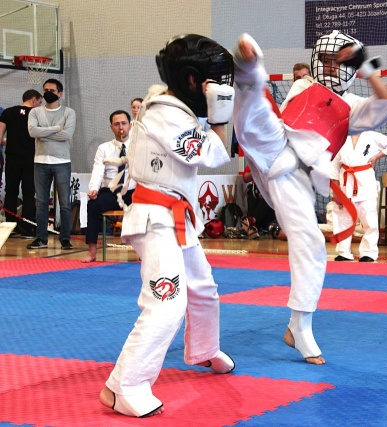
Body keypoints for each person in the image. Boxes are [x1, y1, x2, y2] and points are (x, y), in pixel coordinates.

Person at [233, 31, 387, 364]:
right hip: (275, 146)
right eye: (325, 60)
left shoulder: (353, 107)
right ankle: (248, 70)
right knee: (255, 116)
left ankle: (299, 326)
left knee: (310, 242)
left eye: (339, 63)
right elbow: (281, 114)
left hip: (296, 179)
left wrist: (368, 69)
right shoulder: (303, 85)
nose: (331, 67)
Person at [99, 34, 236, 417]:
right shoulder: (165, 113)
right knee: (167, 302)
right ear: (191, 80)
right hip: (155, 217)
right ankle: (123, 386)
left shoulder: (178, 107)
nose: (217, 87)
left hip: (177, 217)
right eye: (211, 80)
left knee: (203, 288)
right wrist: (220, 115)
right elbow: (214, 155)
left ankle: (204, 349)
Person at [330, 131, 387, 262]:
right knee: (342, 218)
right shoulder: (340, 137)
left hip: (365, 181)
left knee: (369, 219)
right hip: (345, 182)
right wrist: (336, 191)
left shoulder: (372, 135)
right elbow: (333, 165)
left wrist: (377, 156)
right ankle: (343, 252)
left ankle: (369, 252)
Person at [27, 78, 77, 250]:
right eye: (45, 90)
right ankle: (41, 238)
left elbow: (67, 135)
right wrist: (57, 128)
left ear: (60, 93)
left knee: (64, 203)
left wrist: (43, 133)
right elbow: (32, 132)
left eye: (52, 90)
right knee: (41, 203)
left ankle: (65, 239)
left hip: (62, 161)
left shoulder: (69, 112)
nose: (48, 93)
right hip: (40, 162)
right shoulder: (35, 112)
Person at [82, 110, 136, 263]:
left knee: (149, 206)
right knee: (93, 205)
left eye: (124, 123)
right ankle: (92, 251)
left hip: (133, 191)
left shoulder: (139, 146)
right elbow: (98, 170)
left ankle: (144, 251)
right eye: (116, 124)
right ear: (111, 127)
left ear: (130, 126)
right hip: (112, 192)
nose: (121, 127)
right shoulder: (104, 148)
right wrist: (93, 188)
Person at [0, 90, 42, 238]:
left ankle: (10, 226)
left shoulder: (8, 112)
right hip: (31, 158)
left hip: (12, 158)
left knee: (11, 191)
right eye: (39, 102)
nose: (40, 106)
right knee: (29, 193)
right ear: (33, 100)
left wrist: (8, 142)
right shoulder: (37, 114)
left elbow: (0, 135)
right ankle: (27, 227)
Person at [241, 164, 276, 233]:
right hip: (257, 189)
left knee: (266, 199)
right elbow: (245, 178)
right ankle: (251, 222)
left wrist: (265, 192)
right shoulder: (255, 162)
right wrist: (255, 172)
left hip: (271, 189)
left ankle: (252, 222)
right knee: (251, 193)